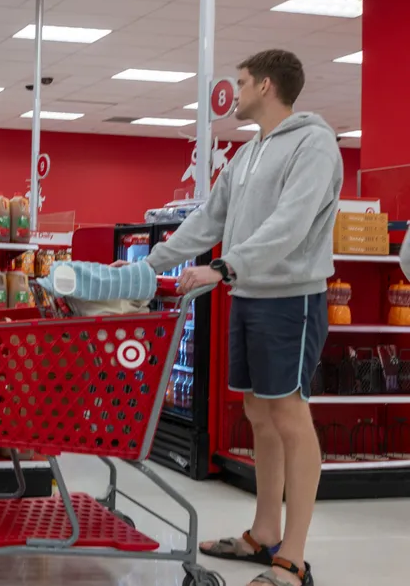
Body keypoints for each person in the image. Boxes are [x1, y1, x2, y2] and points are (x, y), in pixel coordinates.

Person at [137, 50, 341, 586]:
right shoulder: (249, 154)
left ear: (267, 85)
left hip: (291, 298)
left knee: (291, 416)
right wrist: (144, 267)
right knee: (258, 411)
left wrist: (226, 266)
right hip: (250, 293)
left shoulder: (313, 144)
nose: (236, 90)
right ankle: (264, 533)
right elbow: (210, 217)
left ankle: (292, 558)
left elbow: (293, 223)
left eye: (243, 80)